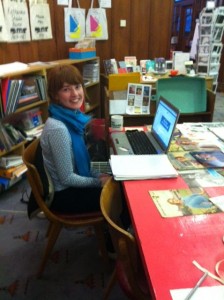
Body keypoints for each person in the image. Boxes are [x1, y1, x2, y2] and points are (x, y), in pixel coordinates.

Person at [40, 64, 112, 214]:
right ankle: (117, 234)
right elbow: (67, 178)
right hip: (65, 196)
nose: (75, 94)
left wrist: (101, 174)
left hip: (75, 184)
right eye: (66, 89)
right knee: (121, 194)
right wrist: (99, 181)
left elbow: (83, 160)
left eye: (77, 87)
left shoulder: (71, 118)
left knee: (116, 175)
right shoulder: (58, 129)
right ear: (55, 95)